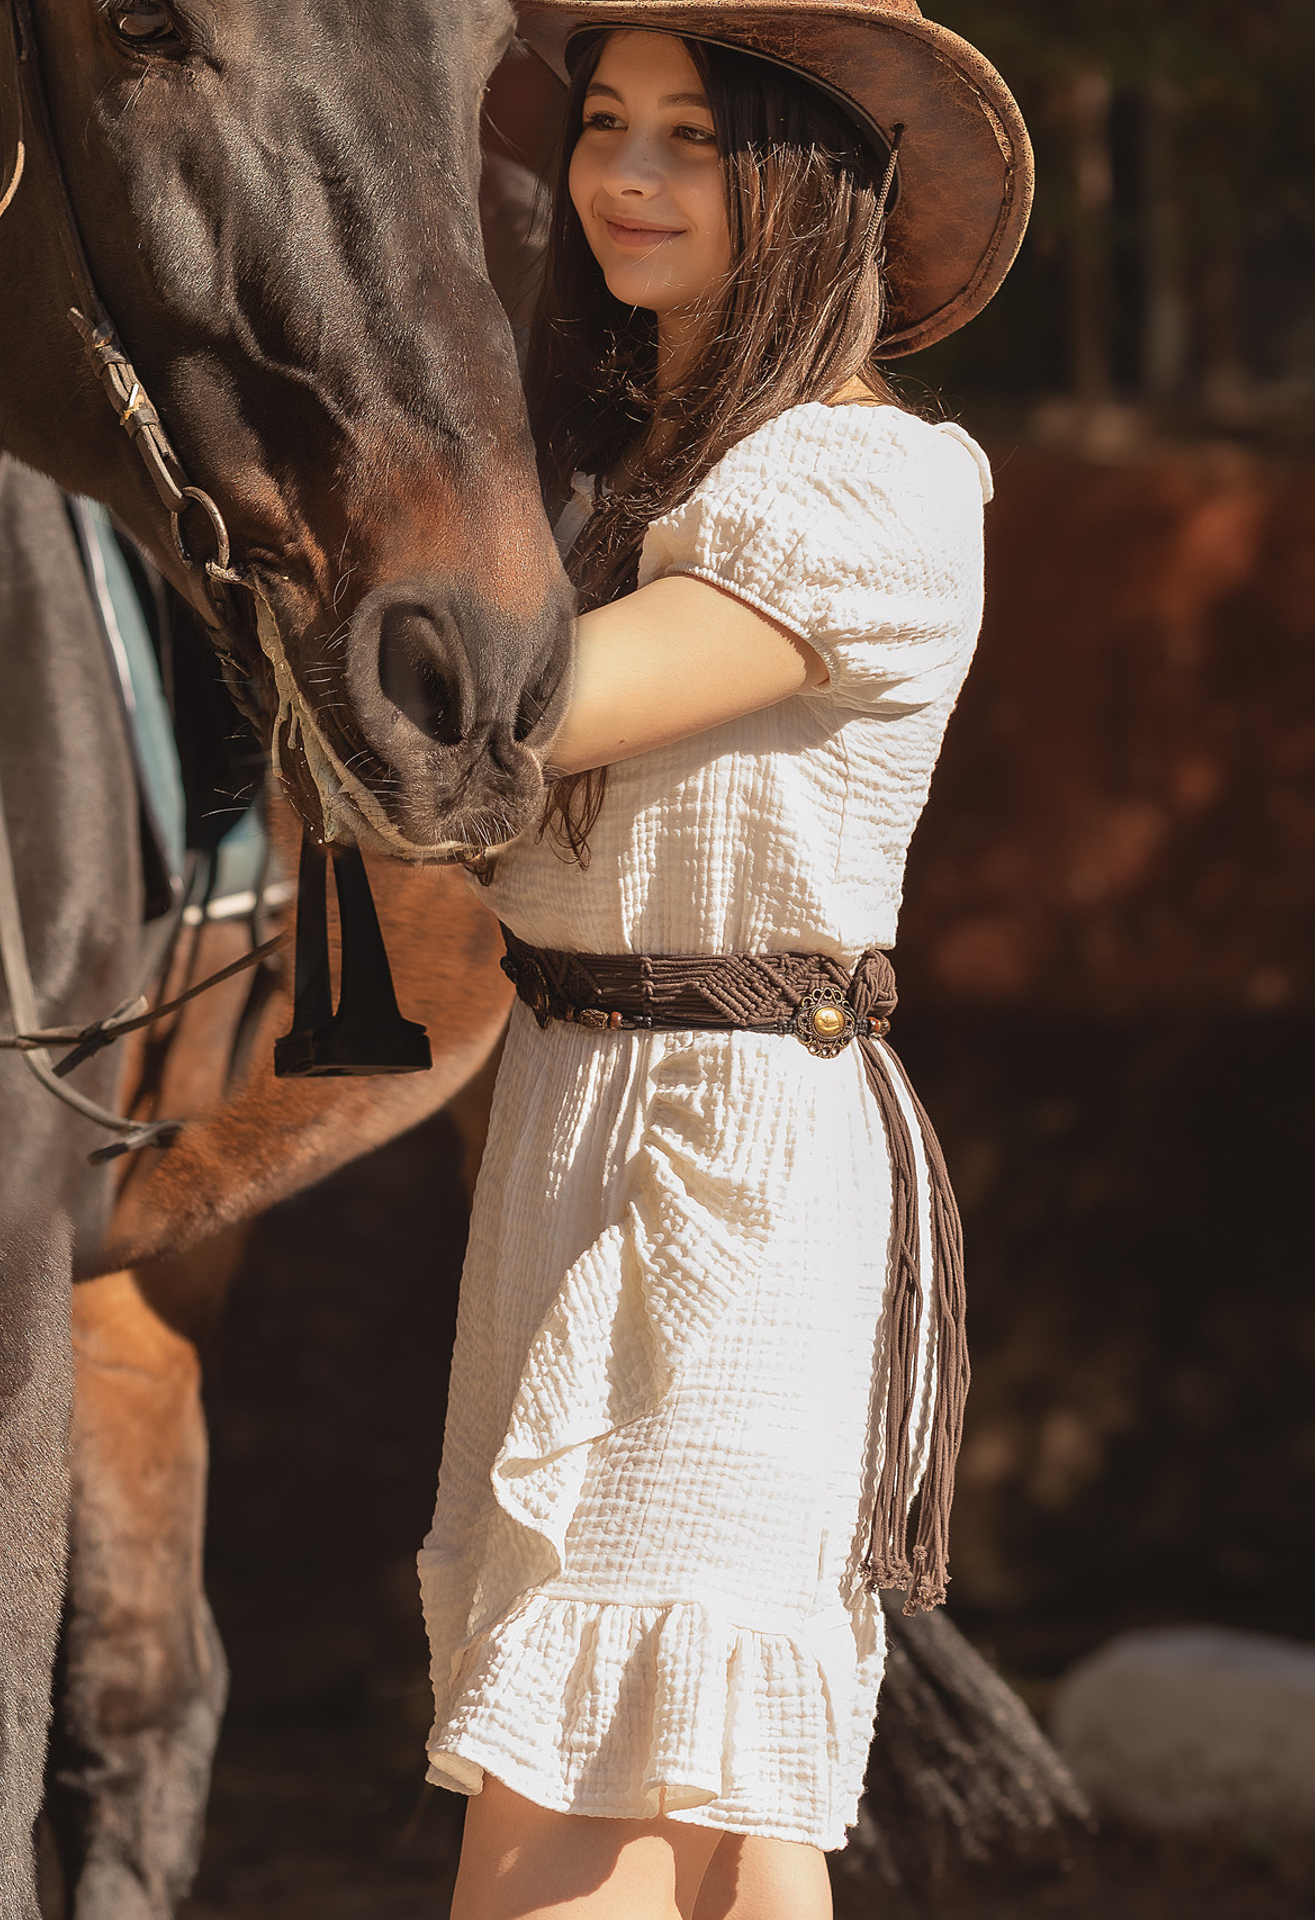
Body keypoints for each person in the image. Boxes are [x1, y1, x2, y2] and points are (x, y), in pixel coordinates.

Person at [416, 5, 1033, 1916]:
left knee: (583, 1788)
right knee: (720, 1816)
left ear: (807, 179)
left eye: (690, 137)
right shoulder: (617, 492)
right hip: (571, 1122)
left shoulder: (867, 492)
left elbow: (497, 730)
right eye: (607, 123)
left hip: (731, 1162)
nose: (623, 176)